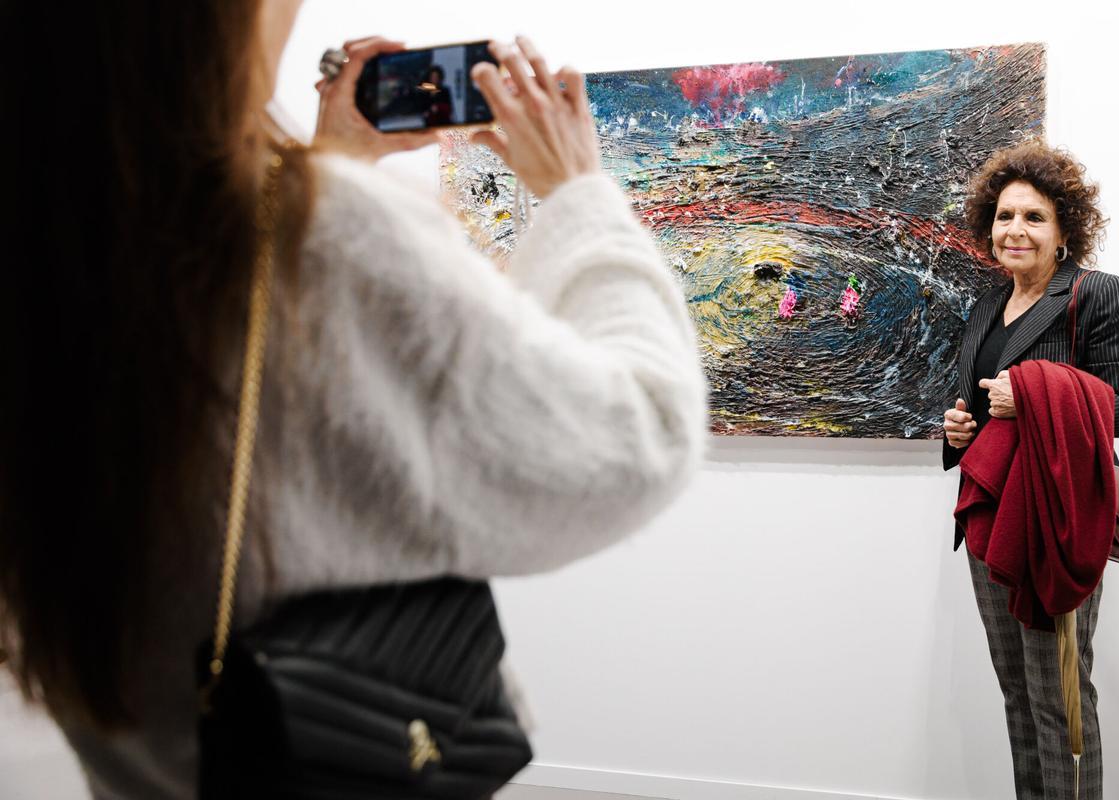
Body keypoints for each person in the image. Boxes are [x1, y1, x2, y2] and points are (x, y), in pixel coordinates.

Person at [0, 3, 708, 798]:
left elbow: (233, 413)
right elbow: (644, 436)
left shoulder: (57, 242)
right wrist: (578, 193)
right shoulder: (334, 234)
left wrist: (328, 162)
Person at [942, 140, 1119, 799]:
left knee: (1058, 700)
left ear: (1064, 229)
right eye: (1005, 217)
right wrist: (959, 429)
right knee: (1017, 694)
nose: (1016, 231)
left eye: (1034, 217)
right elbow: (978, 404)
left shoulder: (1094, 296)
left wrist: (1032, 395)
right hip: (990, 524)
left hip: (1058, 520)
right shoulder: (985, 306)